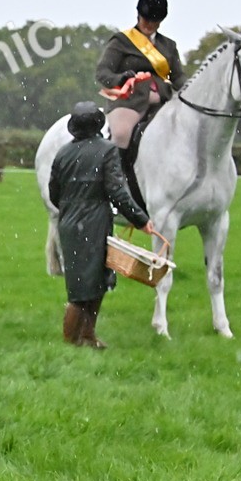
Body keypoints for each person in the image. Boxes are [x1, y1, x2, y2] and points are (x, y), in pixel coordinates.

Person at [49, 102, 156, 348]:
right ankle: (71, 343)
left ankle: (87, 336)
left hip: (69, 222)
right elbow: (117, 191)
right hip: (96, 221)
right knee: (86, 288)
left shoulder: (63, 153)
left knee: (89, 282)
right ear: (98, 123)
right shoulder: (107, 150)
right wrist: (141, 220)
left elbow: (54, 193)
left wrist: (71, 208)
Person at [95, 0, 187, 205]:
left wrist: (190, 90)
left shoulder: (168, 46)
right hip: (128, 101)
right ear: (138, 15)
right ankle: (115, 188)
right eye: (147, 20)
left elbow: (178, 76)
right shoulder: (121, 41)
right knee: (120, 134)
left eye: (155, 21)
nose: (149, 25)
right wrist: (120, 78)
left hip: (162, 102)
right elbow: (102, 72)